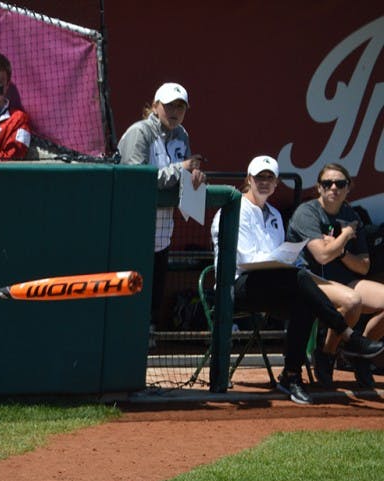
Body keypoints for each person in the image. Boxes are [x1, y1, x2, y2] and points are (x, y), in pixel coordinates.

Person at [210, 155, 383, 404]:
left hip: (269, 284)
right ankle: (348, 336)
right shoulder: (234, 208)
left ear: (277, 183)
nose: (265, 182)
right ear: (249, 179)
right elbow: (245, 259)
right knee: (299, 278)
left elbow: (363, 266)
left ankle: (291, 375)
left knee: (304, 300)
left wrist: (285, 261)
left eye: (270, 178)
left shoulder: (275, 215)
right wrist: (283, 262)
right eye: (260, 177)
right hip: (236, 286)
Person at [117, 82, 206, 334]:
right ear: (155, 106)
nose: (174, 112)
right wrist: (183, 169)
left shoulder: (182, 135)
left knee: (152, 304)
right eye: (168, 106)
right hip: (133, 232)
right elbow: (137, 180)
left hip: (162, 235)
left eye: (180, 107)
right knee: (130, 299)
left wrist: (196, 178)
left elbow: (184, 178)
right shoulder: (140, 132)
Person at [286, 163, 384, 388]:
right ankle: (326, 355)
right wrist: (346, 234)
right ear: (318, 188)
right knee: (352, 301)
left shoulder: (350, 214)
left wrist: (340, 251)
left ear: (348, 188)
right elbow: (321, 255)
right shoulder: (307, 212)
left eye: (340, 184)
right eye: (327, 183)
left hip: (345, 280)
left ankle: (360, 355)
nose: (333, 188)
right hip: (310, 283)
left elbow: (364, 266)